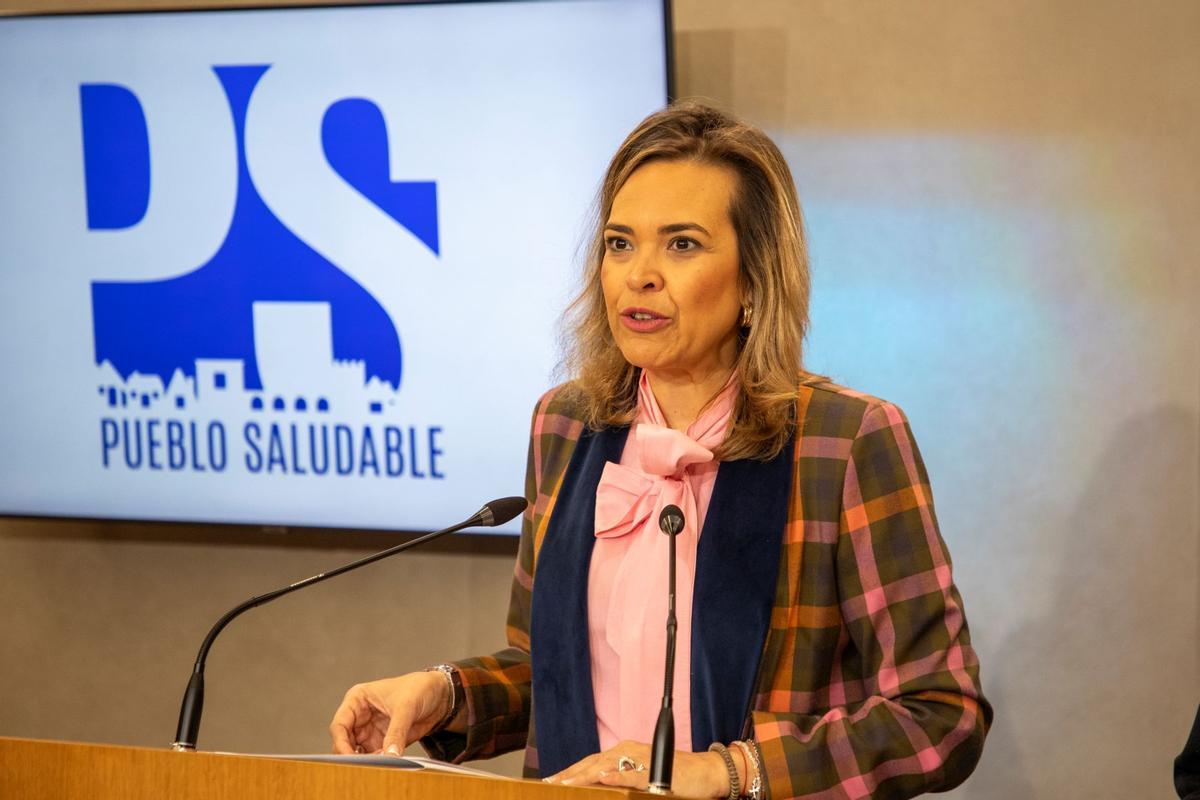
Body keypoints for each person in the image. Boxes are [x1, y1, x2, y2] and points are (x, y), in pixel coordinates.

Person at [329, 101, 991, 799]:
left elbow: (940, 716)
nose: (639, 274)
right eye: (620, 243)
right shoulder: (565, 426)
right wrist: (446, 693)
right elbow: (556, 667)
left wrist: (732, 771)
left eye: (681, 244)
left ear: (754, 279)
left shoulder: (846, 442)